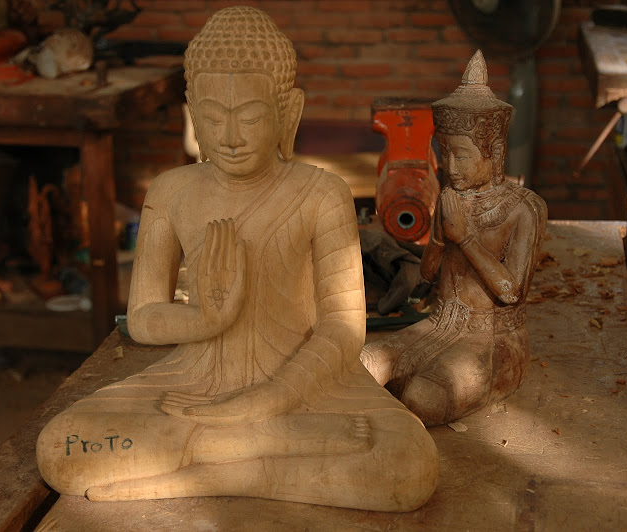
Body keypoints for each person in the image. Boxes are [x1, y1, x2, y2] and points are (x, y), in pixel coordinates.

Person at [37, 6, 438, 512]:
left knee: (409, 464)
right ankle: (251, 452)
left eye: (249, 117)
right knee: (62, 448)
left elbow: (342, 327)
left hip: (304, 385)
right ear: (191, 114)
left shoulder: (321, 194)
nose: (230, 136)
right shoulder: (171, 192)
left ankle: (196, 461)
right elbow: (143, 318)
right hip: (192, 383)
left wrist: (267, 399)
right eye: (212, 117)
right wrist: (207, 320)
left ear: (288, 112)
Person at [361, 51, 548, 427]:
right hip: (440, 322)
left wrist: (464, 239)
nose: (450, 166)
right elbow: (428, 275)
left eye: (461, 156)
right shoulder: (450, 199)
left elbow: (511, 291)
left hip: (493, 339)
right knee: (362, 365)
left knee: (423, 398)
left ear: (495, 153)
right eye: (444, 154)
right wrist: (440, 239)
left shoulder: (523, 209)